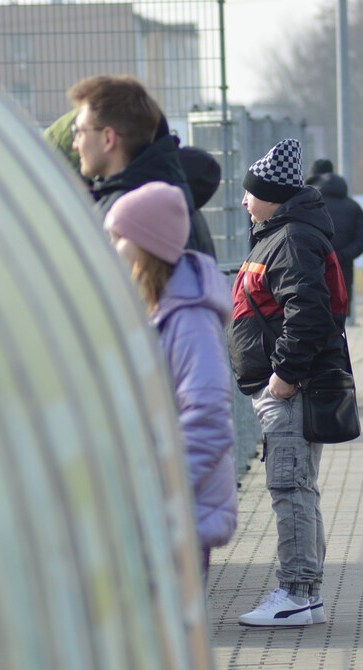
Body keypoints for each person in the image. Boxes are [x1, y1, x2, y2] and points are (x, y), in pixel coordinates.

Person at [226, 139, 349, 627]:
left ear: (272, 195)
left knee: (289, 488)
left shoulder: (291, 238)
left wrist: (284, 376)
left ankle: (297, 592)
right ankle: (305, 590)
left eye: (250, 193)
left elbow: (309, 313)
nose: (243, 201)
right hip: (283, 388)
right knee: (297, 488)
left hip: (288, 391)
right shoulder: (282, 234)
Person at [103, 181, 238, 581]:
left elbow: (209, 416)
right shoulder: (159, 307)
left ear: (148, 246)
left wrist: (157, 486)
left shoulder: (188, 317)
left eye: (118, 238)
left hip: (174, 517)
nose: (111, 249)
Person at [67, 75, 194, 220]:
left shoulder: (122, 217)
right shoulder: (166, 198)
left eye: (80, 132)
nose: (75, 145)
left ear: (108, 138)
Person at [306, 158, 363, 323]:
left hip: (311, 270)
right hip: (343, 271)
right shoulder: (353, 206)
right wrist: (342, 255)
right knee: (337, 324)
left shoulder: (306, 205)